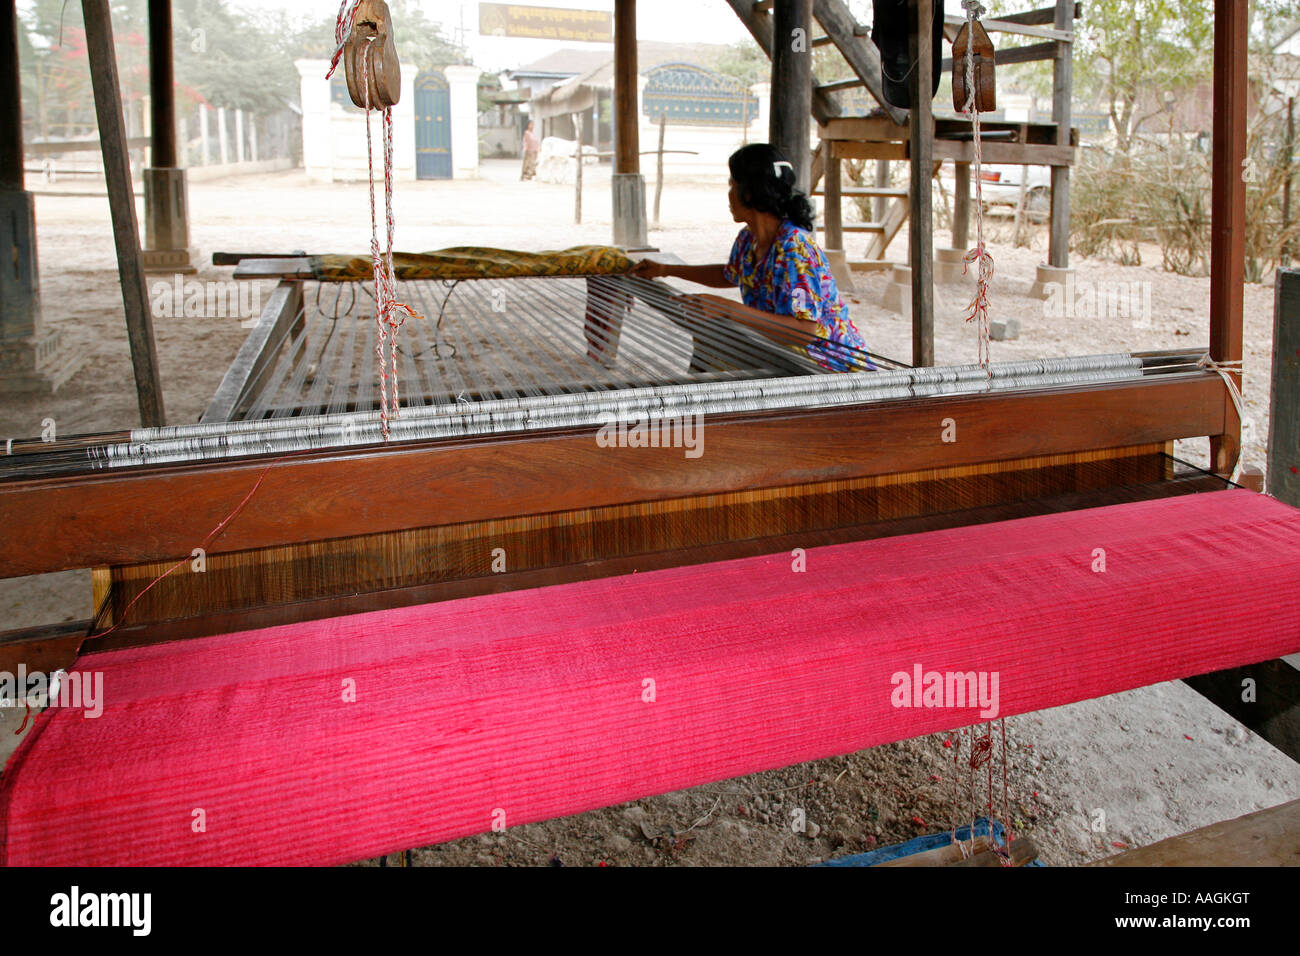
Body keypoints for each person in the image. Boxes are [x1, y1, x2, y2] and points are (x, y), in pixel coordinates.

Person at [628, 143, 873, 372]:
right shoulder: (748, 239)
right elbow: (730, 274)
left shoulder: (794, 250)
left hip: (830, 368)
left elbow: (805, 331)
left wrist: (728, 309)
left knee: (719, 346)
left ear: (749, 192)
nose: (729, 194)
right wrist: (664, 269)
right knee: (714, 342)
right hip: (786, 355)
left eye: (732, 185)